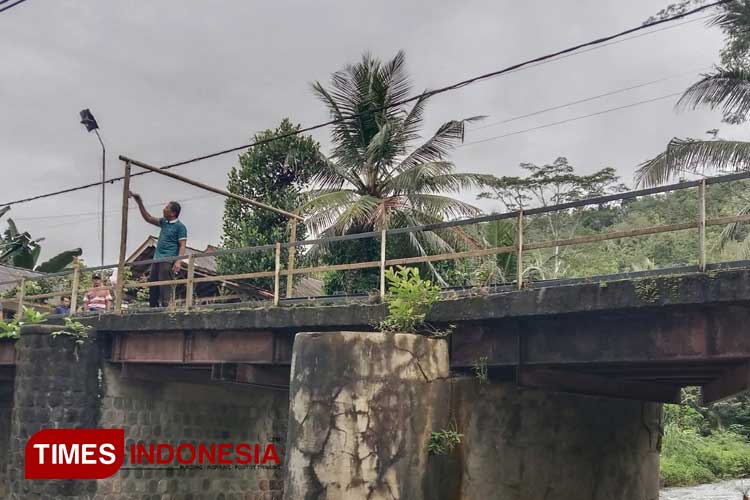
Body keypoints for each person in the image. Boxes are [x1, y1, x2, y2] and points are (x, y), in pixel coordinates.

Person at [129, 192, 187, 307]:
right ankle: (153, 308)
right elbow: (148, 218)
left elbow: (182, 245)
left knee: (165, 286)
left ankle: (167, 308)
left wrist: (178, 261)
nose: (164, 209)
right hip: (156, 259)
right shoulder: (164, 222)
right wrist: (139, 202)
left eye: (166, 208)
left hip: (168, 259)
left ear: (173, 213)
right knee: (153, 285)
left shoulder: (180, 227)